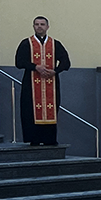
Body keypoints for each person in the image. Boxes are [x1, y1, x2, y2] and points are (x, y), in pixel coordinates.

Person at [14, 16, 70, 146]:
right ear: (33, 26)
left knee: (51, 109)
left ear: (47, 27)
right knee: (30, 110)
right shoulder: (26, 43)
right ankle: (34, 139)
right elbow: (19, 62)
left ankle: (49, 139)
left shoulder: (55, 44)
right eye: (37, 24)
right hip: (31, 84)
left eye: (42, 24)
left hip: (51, 84)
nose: (39, 26)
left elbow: (66, 62)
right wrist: (35, 67)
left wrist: (55, 71)